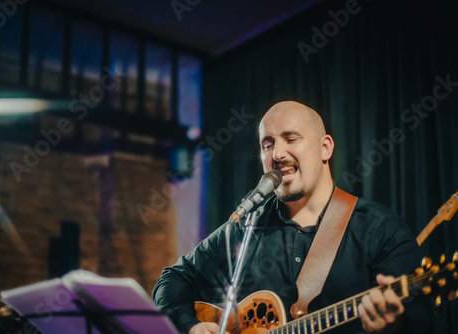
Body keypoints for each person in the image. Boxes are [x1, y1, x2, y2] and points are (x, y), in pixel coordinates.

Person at [153, 101, 433, 334]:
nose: (277, 154)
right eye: (267, 144)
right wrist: (191, 326)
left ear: (325, 148)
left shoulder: (380, 230)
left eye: (291, 138)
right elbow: (172, 280)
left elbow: (424, 320)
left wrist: (395, 324)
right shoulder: (248, 226)